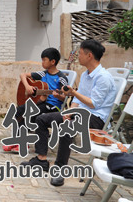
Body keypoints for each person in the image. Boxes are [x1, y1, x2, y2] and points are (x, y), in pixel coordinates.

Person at [21, 39, 117, 186]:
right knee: (42, 119)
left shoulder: (103, 77)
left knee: (67, 127)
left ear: (89, 56)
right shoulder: (85, 75)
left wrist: (73, 93)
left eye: (80, 53)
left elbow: (93, 103)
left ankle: (60, 170)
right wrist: (70, 111)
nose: (78, 56)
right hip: (80, 113)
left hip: (96, 118)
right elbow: (77, 100)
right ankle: (41, 160)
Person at [3, 47, 68, 153]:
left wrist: (58, 96)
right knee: (18, 111)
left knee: (27, 114)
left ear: (53, 62)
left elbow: (65, 96)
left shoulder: (61, 78)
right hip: (41, 103)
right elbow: (23, 75)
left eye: (44, 60)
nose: (42, 62)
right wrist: (28, 86)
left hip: (52, 106)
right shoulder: (43, 74)